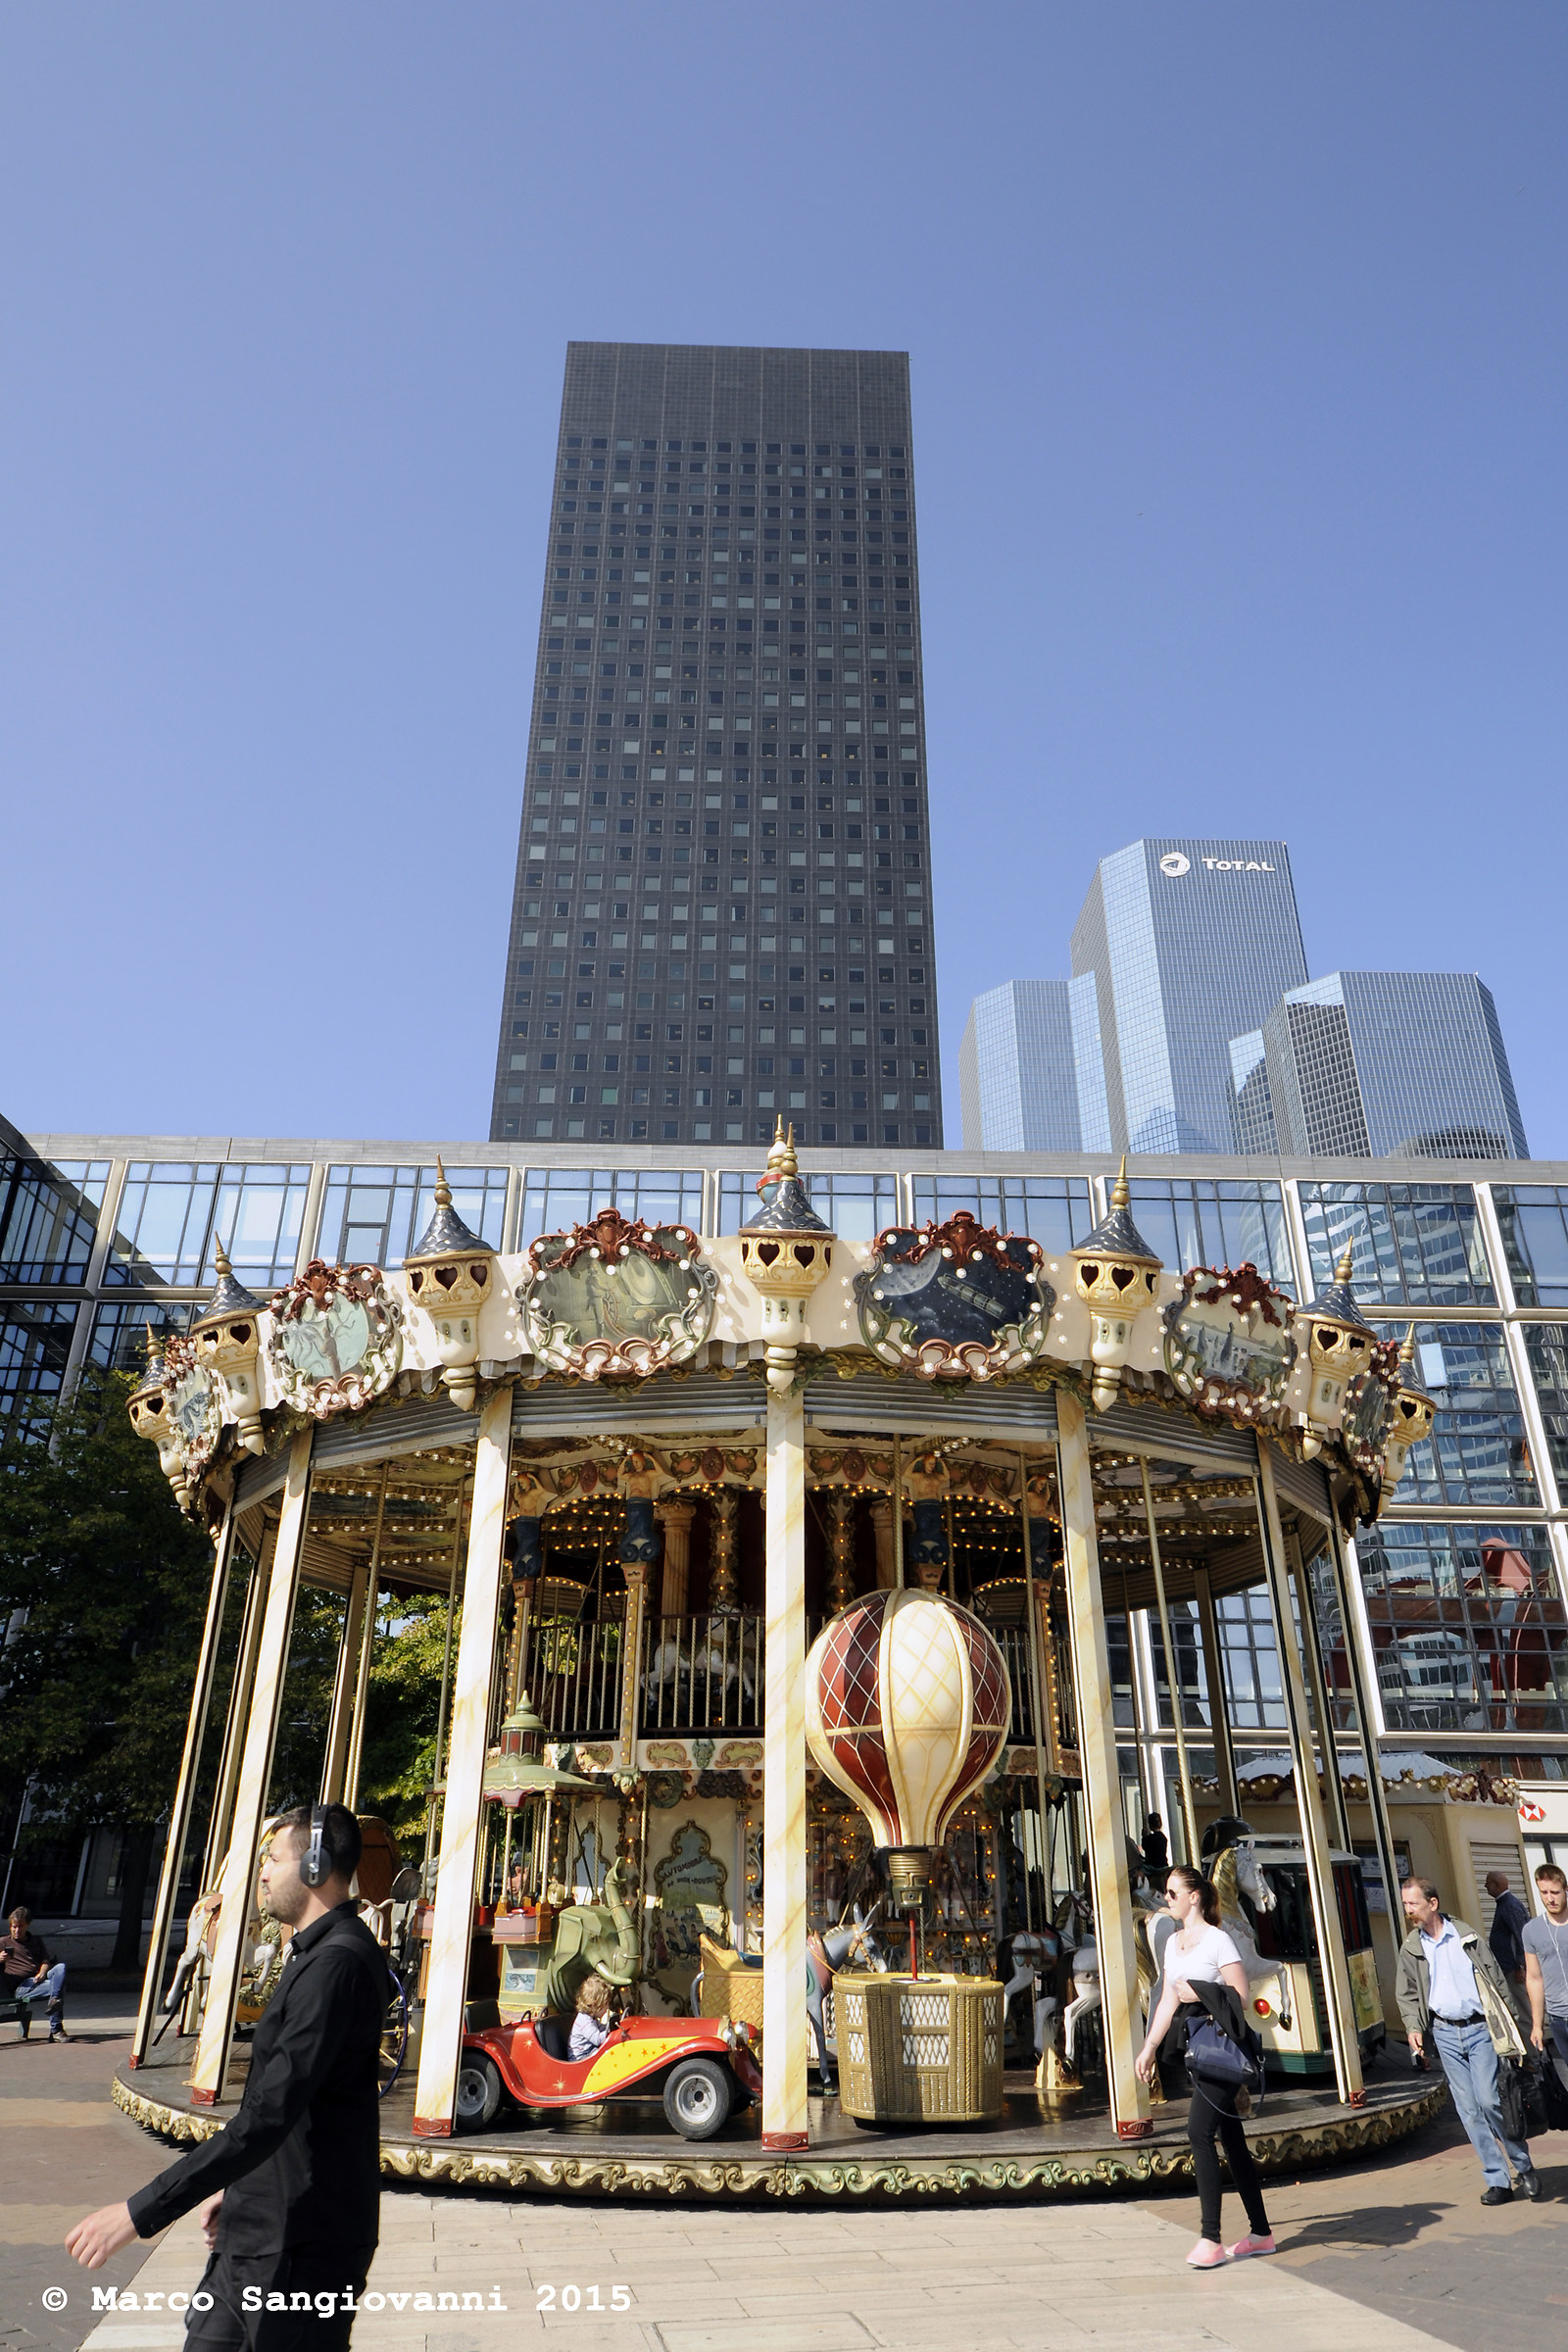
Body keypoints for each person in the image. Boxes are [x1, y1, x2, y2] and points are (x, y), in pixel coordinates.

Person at [65, 1804, 387, 2348]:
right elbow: (288, 2107)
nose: (262, 1872)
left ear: (314, 1866)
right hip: (260, 2228)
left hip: (300, 2247)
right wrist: (240, 2188)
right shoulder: (320, 1955)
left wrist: (140, 2212)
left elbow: (270, 2113)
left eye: (272, 1859)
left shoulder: (336, 1964)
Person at [1136, 1866, 1273, 2269]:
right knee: (1230, 2139)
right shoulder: (1173, 1943)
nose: (1167, 1898)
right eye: (1166, 1892)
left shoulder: (1219, 1941)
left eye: (1174, 1892)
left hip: (1222, 2045)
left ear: (1194, 1896)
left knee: (1198, 2133)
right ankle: (1261, 2234)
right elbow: (1165, 2001)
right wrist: (1149, 2049)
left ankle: (1210, 2239)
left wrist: (1200, 1989)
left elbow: (1241, 1997)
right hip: (1197, 2046)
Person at [1396, 1875, 1541, 2205]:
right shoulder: (1412, 1947)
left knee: (1491, 2101)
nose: (1409, 1911)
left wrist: (1512, 2029)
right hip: (1445, 2033)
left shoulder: (1466, 1937)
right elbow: (1406, 1992)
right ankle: (1498, 2179)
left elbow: (1495, 1981)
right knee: (1468, 2109)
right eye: (1405, 1905)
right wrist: (1413, 2026)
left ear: (1432, 1904)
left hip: (1480, 2030)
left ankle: (1524, 2166)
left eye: (1413, 1904)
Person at [1523, 1862, 1568, 2072]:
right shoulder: (1532, 1930)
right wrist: (1537, 2025)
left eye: (1555, 1892)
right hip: (1558, 2018)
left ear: (1565, 1890)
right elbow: (1534, 1978)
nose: (1550, 1898)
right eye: (1544, 1892)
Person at [2, 1908, 68, 2042]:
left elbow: (45, 1961)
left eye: (20, 1926)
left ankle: (54, 2000)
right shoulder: (3, 1942)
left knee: (61, 1967)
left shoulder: (36, 1941)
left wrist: (42, 1973)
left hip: (38, 1980)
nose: (16, 1930)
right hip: (22, 1986)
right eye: (14, 1927)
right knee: (60, 1989)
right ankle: (56, 2029)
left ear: (27, 1925)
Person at [1487, 1869, 1529, 1986]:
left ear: (1497, 1884)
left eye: (1488, 1882)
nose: (1485, 1886)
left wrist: (1520, 1966)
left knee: (1523, 2003)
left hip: (1514, 1970)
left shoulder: (1509, 1905)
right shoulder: (1504, 1903)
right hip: (1508, 1968)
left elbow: (1521, 1935)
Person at [567, 1971, 614, 2059]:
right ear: (594, 2005)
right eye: (606, 2004)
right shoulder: (584, 2022)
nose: (608, 2007)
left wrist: (611, 2026)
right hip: (579, 2059)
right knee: (606, 2054)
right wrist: (611, 2031)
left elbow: (600, 2029)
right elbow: (597, 2039)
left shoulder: (591, 2018)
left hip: (589, 2051)